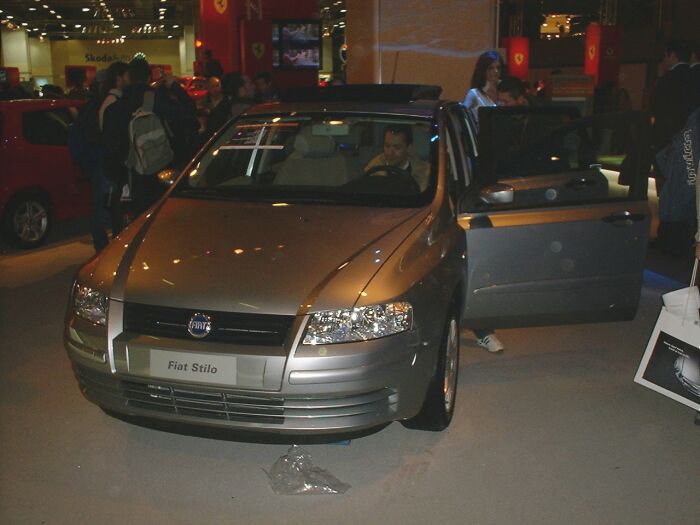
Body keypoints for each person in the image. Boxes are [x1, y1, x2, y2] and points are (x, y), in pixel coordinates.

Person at [102, 56, 198, 226]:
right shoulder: (160, 101)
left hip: (128, 179)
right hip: (158, 176)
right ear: (148, 77)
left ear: (128, 78)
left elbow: (109, 148)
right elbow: (190, 116)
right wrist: (175, 87)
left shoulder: (114, 109)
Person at [652, 40, 695, 254]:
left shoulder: (668, 81)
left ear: (672, 55)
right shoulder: (695, 77)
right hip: (692, 141)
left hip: (673, 144)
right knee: (689, 190)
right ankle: (687, 236)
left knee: (670, 191)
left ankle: (668, 238)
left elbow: (661, 116)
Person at [363, 124, 430, 192]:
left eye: (397, 147)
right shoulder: (374, 167)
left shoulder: (421, 171)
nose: (390, 152)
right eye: (387, 146)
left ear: (409, 148)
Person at [463, 50, 505, 126]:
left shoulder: (505, 90)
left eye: (498, 67)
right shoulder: (474, 94)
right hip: (482, 135)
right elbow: (461, 114)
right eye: (490, 68)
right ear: (483, 70)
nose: (495, 71)